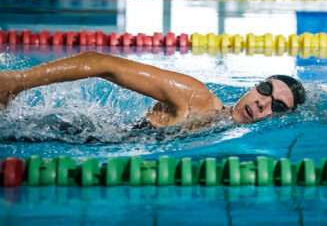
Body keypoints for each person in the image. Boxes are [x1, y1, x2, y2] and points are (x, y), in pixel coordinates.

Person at [0, 51, 306, 129]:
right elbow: (101, 63)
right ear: (251, 87)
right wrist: (17, 82)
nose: (264, 103)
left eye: (277, 107)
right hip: (74, 136)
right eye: (265, 89)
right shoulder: (196, 98)